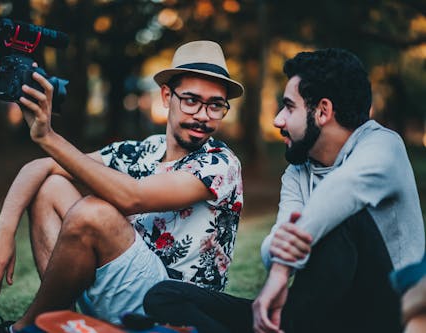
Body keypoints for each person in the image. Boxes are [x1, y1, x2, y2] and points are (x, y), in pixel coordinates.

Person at [143, 48, 425, 333]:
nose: (278, 120)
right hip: (314, 316)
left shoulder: (383, 146)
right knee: (165, 296)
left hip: (390, 317)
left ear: (323, 111)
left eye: (289, 107)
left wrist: (281, 271)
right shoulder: (298, 170)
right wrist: (278, 254)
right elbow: (275, 242)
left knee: (343, 219)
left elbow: (342, 192)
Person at [0, 40, 244, 333]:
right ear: (167, 96)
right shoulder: (144, 150)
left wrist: (47, 137)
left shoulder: (220, 164)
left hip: (173, 307)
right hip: (119, 286)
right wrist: (4, 229)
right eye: (191, 100)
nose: (203, 115)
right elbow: (40, 167)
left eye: (215, 105)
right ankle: (62, 322)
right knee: (51, 186)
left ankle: (26, 329)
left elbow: (133, 198)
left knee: (95, 212)